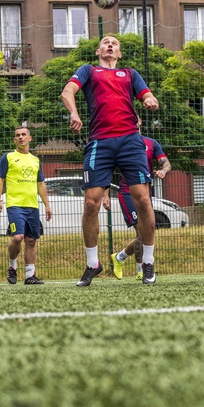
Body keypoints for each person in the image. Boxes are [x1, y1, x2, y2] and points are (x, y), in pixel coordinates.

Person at [61, 35, 160, 286]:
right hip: (99, 142)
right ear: (98, 51)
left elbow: (147, 95)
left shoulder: (130, 74)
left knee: (143, 200)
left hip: (130, 141)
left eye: (114, 43)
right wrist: (74, 112)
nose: (110, 45)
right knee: (90, 204)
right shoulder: (89, 71)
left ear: (119, 53)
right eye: (105, 42)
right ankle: (92, 263)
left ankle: (148, 261)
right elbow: (67, 91)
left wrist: (150, 100)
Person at [108, 122, 171, 279]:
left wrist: (163, 171)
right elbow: (108, 169)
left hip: (145, 193)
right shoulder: (120, 144)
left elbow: (166, 163)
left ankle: (120, 257)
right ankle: (141, 269)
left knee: (147, 230)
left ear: (140, 122)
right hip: (127, 193)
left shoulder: (151, 143)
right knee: (141, 232)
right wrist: (105, 195)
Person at [0, 125, 53, 285]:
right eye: (18, 135)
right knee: (17, 237)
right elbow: (0, 180)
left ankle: (30, 275)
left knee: (31, 240)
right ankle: (12, 266)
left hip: (32, 206)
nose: (21, 137)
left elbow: (41, 184)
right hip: (15, 205)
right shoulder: (8, 157)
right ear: (14, 139)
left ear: (29, 138)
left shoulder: (35, 160)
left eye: (24, 134)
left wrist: (47, 205)